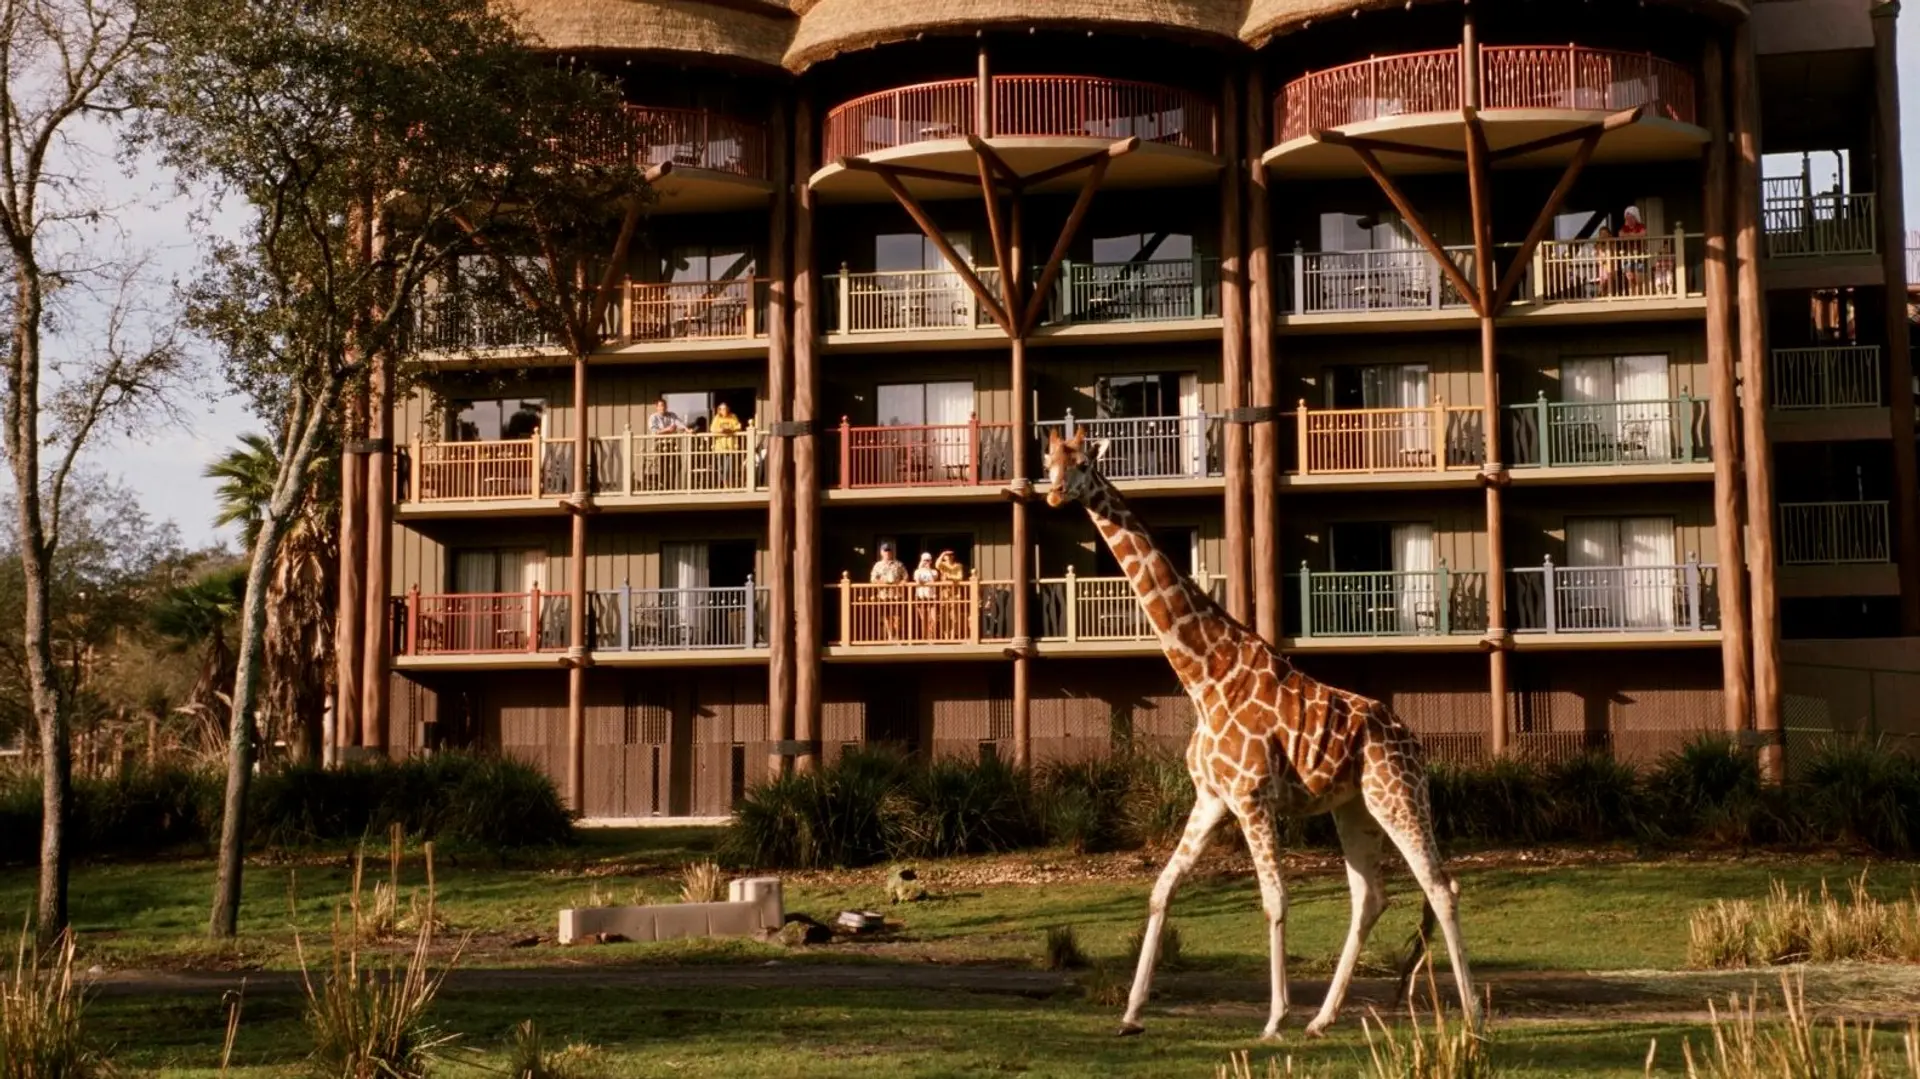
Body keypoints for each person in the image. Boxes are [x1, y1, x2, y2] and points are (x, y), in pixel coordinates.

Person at [645, 397, 686, 491]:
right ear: (657, 407)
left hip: (672, 444)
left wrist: (687, 429)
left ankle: (669, 483)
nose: (663, 408)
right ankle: (666, 486)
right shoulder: (653, 417)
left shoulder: (671, 415)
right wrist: (667, 430)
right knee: (665, 466)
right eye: (660, 406)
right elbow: (654, 431)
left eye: (664, 405)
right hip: (661, 444)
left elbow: (679, 423)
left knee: (678, 464)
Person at [869, 542, 908, 640]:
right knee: (886, 617)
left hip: (896, 595)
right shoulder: (878, 565)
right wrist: (882, 582)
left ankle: (897, 634)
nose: (887, 552)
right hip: (883, 595)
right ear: (881, 552)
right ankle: (890, 635)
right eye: (885, 551)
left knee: (897, 617)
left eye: (888, 550)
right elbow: (873, 579)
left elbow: (906, 576)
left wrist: (902, 582)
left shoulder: (898, 564)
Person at [709, 401, 744, 487]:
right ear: (719, 410)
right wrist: (720, 430)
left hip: (730, 446)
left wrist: (730, 429)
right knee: (720, 467)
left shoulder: (733, 417)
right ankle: (725, 482)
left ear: (728, 409)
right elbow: (712, 429)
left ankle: (726, 484)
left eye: (725, 408)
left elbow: (738, 426)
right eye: (721, 409)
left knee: (727, 467)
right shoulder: (717, 418)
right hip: (719, 446)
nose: (723, 410)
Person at [934, 550, 966, 638]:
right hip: (944, 593)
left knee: (954, 616)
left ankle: (953, 636)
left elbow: (960, 577)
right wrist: (942, 554)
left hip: (955, 593)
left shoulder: (958, 565)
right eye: (947, 555)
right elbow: (936, 565)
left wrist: (949, 577)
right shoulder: (943, 565)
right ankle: (945, 636)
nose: (949, 557)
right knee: (944, 615)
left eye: (951, 555)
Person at [1618, 207, 1648, 295]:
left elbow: (1642, 234)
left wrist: (1629, 236)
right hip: (1627, 256)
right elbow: (1621, 235)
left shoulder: (1641, 226)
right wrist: (1634, 235)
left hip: (1639, 256)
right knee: (1630, 278)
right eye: (1627, 218)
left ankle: (1640, 295)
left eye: (1631, 217)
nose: (1629, 219)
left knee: (1639, 278)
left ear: (1635, 217)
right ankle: (1632, 296)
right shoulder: (1624, 227)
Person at [912, 552, 941, 639]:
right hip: (921, 597)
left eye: (928, 560)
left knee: (933, 619)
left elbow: (933, 581)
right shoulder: (917, 571)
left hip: (931, 597)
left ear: (931, 561)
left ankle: (932, 636)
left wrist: (928, 570)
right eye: (924, 560)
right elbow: (917, 581)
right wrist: (920, 568)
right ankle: (926, 637)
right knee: (924, 620)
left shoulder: (934, 572)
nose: (926, 562)